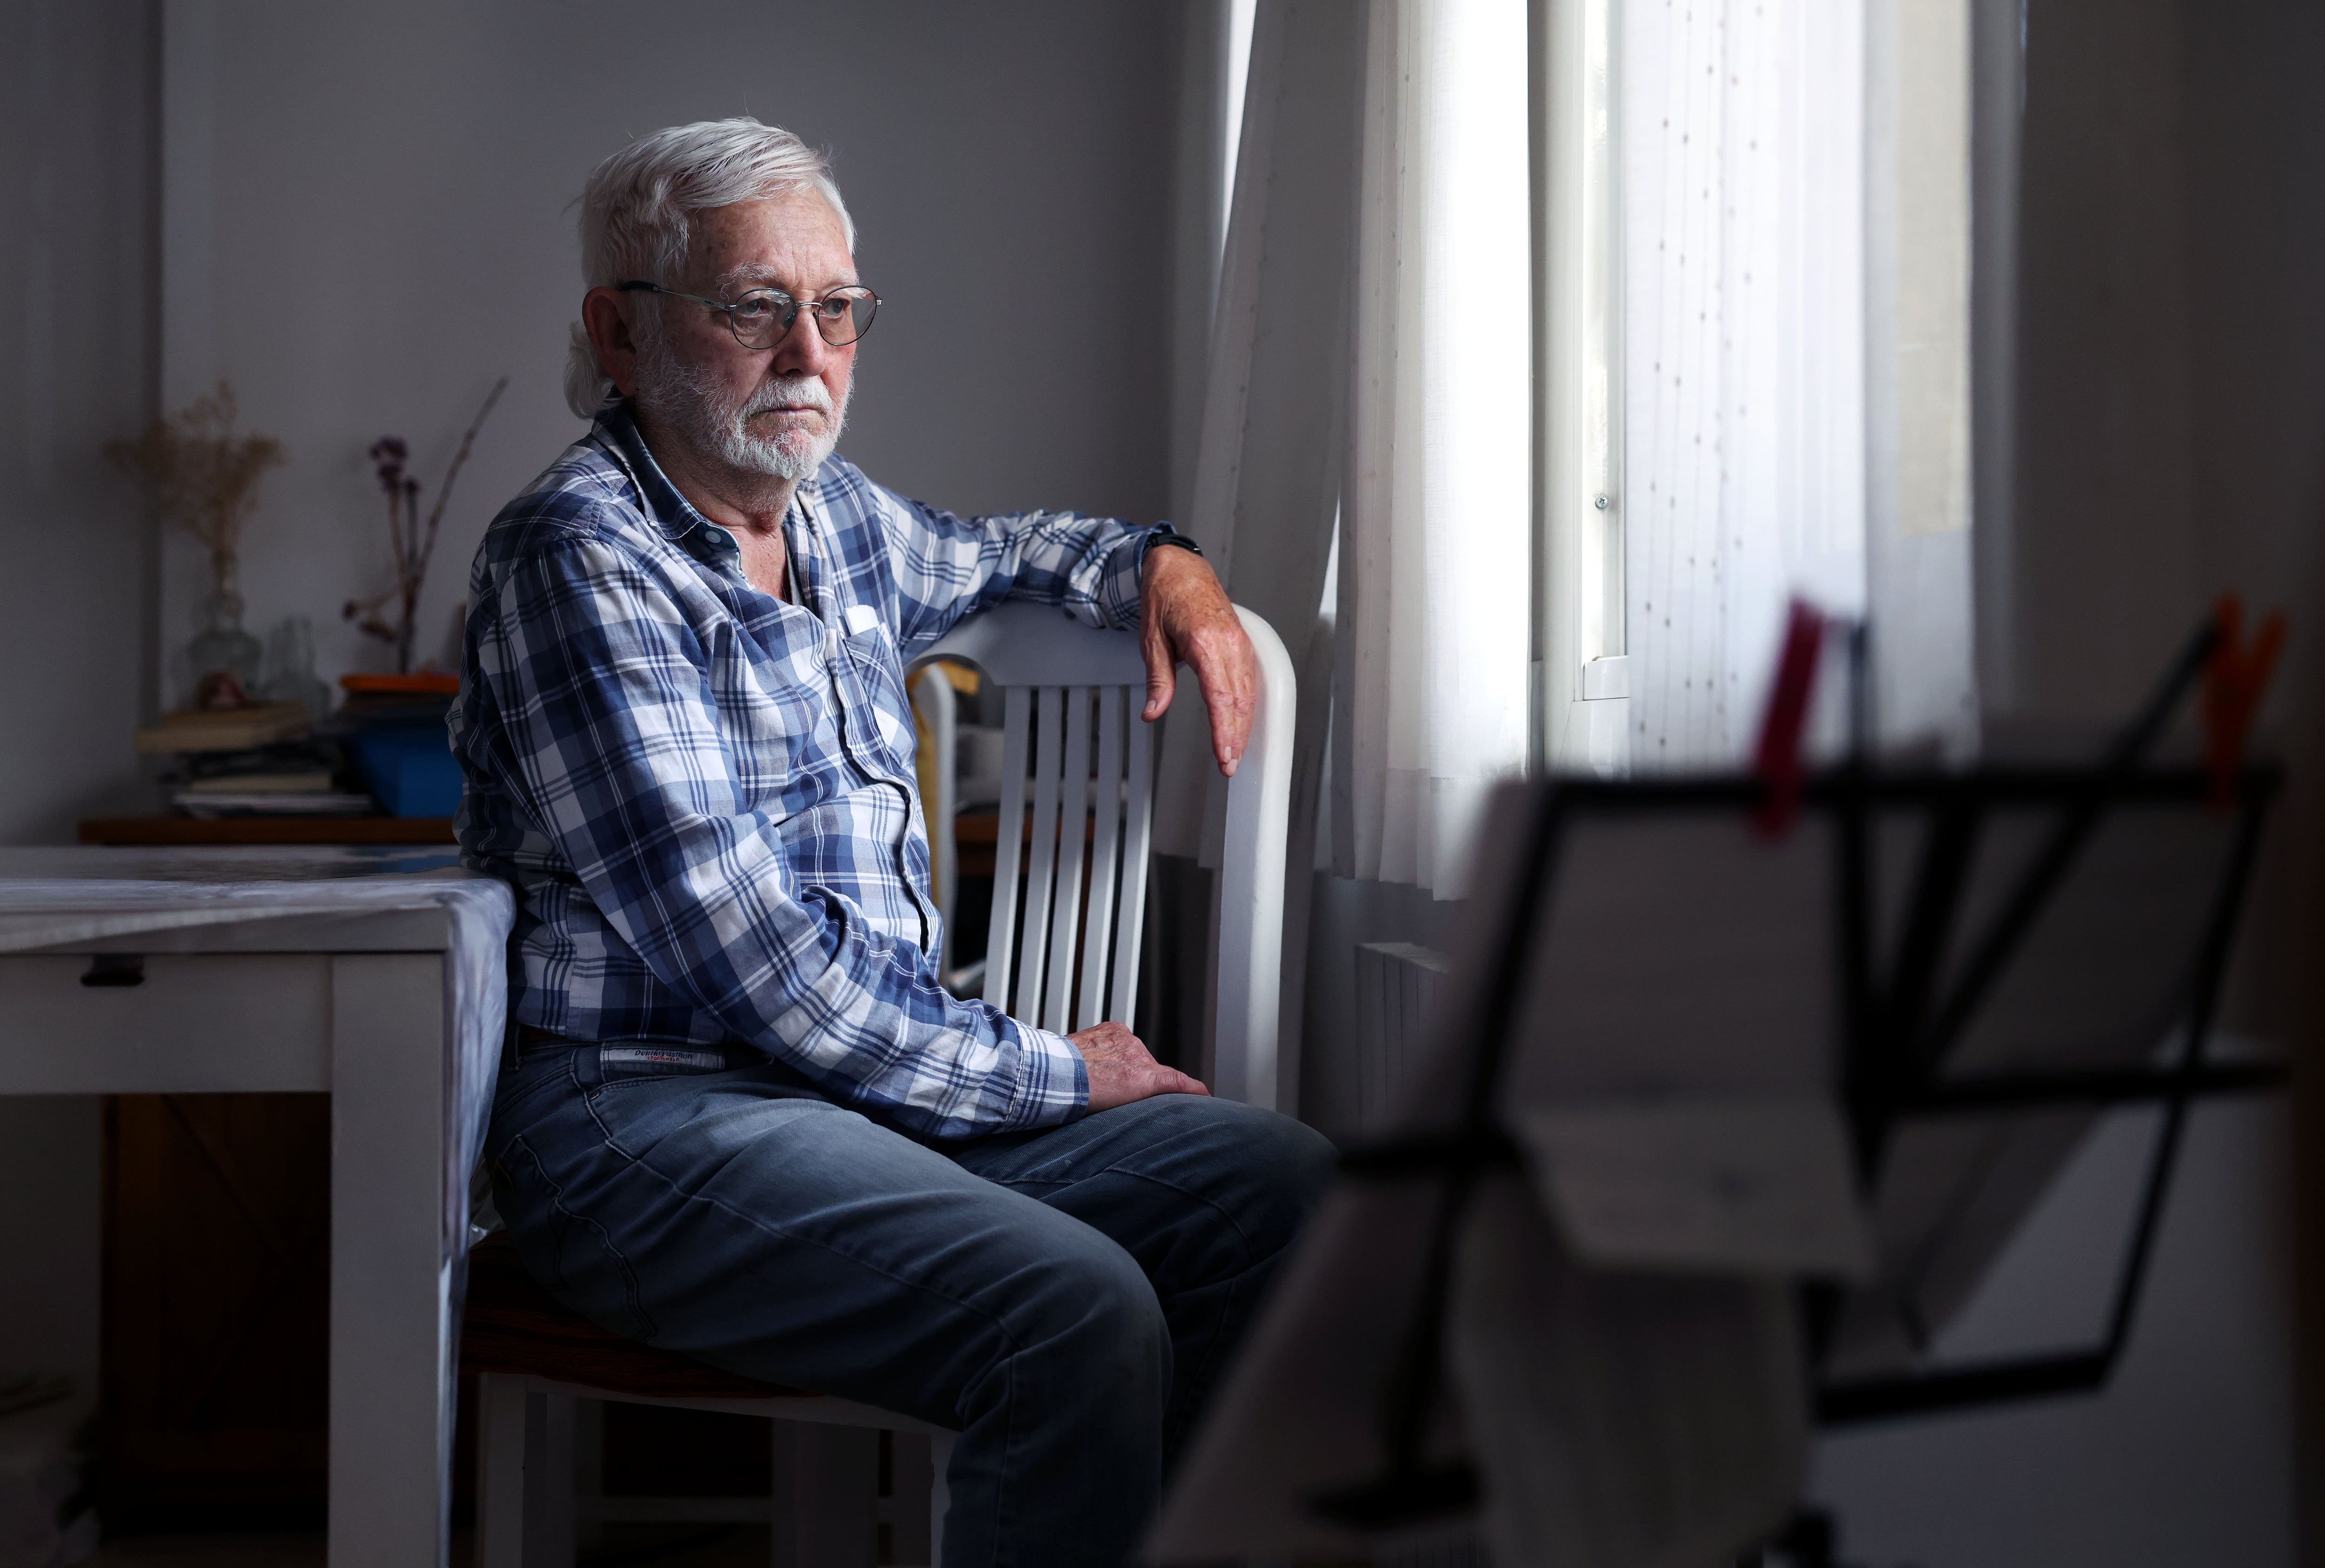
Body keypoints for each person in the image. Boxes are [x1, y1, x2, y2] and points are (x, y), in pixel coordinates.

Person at [452, 117, 1335, 1564]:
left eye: (838, 308)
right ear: (620, 333)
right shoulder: (577, 559)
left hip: (863, 1104)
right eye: (754, 307)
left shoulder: (835, 517)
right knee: (1072, 1306)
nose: (811, 353)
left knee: (1283, 1196)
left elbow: (1008, 552)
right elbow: (771, 979)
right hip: (649, 1118)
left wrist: (1160, 560)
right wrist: (1060, 1069)